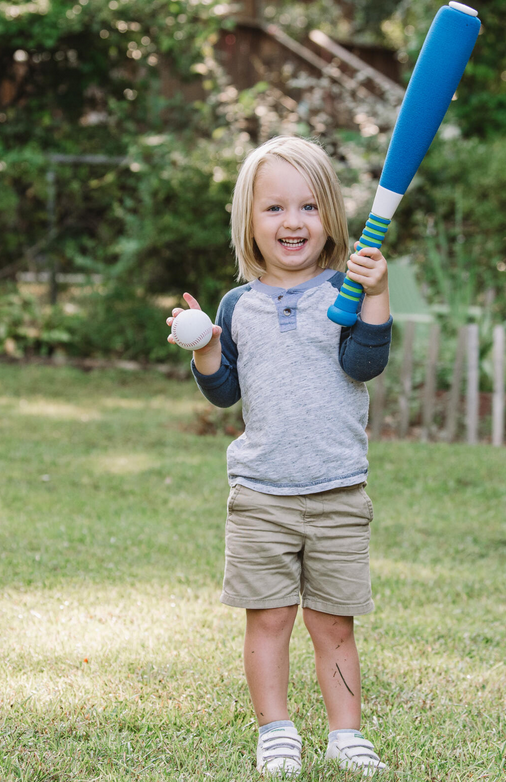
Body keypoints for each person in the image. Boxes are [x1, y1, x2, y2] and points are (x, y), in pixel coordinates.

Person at [166, 136, 392, 777]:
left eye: (309, 207)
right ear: (250, 223)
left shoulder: (344, 293)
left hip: (338, 492)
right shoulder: (239, 306)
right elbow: (225, 391)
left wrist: (375, 296)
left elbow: (364, 363)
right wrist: (206, 347)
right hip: (261, 494)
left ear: (331, 220)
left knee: (334, 626)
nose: (292, 222)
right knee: (267, 621)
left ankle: (345, 735)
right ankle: (277, 731)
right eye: (274, 209)